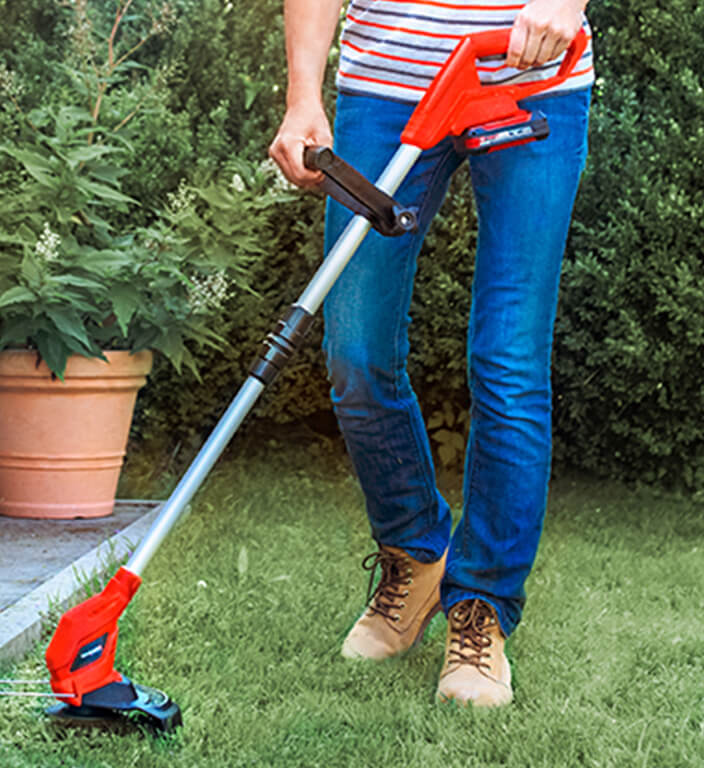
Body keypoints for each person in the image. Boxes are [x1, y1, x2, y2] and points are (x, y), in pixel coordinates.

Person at [269, 0, 594, 707]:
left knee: (507, 361)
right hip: (387, 85)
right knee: (354, 349)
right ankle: (416, 550)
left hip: (533, 75)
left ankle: (481, 607)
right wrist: (303, 96)